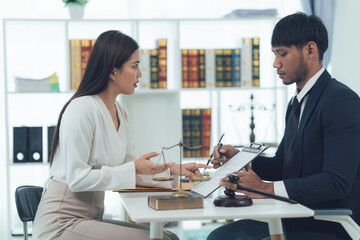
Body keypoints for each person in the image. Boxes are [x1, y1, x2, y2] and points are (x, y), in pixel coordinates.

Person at [33, 30, 209, 240]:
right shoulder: (81, 109)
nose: (140, 74)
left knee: (169, 236)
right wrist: (133, 168)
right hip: (60, 222)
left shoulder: (121, 112)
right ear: (112, 71)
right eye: (134, 66)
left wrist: (174, 171)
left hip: (89, 220)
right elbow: (77, 179)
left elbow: (130, 169)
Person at [207, 12, 360, 240]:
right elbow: (284, 165)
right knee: (219, 237)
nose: (275, 63)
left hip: (327, 222)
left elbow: (337, 182)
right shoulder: (297, 102)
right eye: (275, 54)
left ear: (310, 50)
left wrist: (266, 189)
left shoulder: (341, 101)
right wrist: (239, 158)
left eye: (282, 53)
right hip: (294, 213)